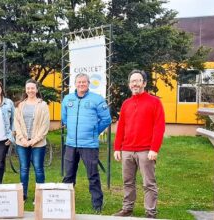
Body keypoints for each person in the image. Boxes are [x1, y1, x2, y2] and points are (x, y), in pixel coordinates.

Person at [113, 70, 165, 219]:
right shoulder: (126, 103)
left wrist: (154, 149)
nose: (135, 83)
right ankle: (127, 209)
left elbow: (159, 127)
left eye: (138, 80)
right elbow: (121, 126)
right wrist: (117, 147)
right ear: (129, 84)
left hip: (146, 151)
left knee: (149, 184)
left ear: (144, 83)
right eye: (132, 81)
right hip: (127, 150)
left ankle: (150, 212)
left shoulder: (155, 102)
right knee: (127, 182)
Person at [61, 73, 111, 212]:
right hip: (71, 144)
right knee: (69, 175)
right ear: (75, 84)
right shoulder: (67, 99)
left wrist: (94, 132)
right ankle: (64, 202)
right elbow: (64, 119)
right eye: (79, 82)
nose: (81, 84)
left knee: (92, 175)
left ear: (88, 83)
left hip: (89, 145)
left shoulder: (97, 99)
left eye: (84, 82)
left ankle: (97, 204)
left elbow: (106, 119)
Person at [14, 79, 50, 201]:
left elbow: (45, 125)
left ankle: (40, 195)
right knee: (24, 169)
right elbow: (16, 123)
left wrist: (34, 140)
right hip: (22, 143)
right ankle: (23, 195)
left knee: (38, 168)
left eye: (32, 88)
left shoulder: (43, 105)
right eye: (28, 88)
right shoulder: (20, 105)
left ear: (36, 89)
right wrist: (22, 139)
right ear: (25, 89)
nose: (30, 90)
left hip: (38, 144)